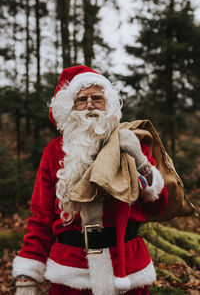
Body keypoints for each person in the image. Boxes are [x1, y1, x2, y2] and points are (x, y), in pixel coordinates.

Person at [12, 65, 168, 295]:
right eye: (81, 99)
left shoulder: (132, 143)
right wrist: (27, 276)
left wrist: (139, 159)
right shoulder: (54, 152)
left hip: (126, 271)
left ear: (109, 105)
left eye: (97, 98)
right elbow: (41, 218)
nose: (90, 104)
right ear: (70, 107)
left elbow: (158, 205)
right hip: (72, 272)